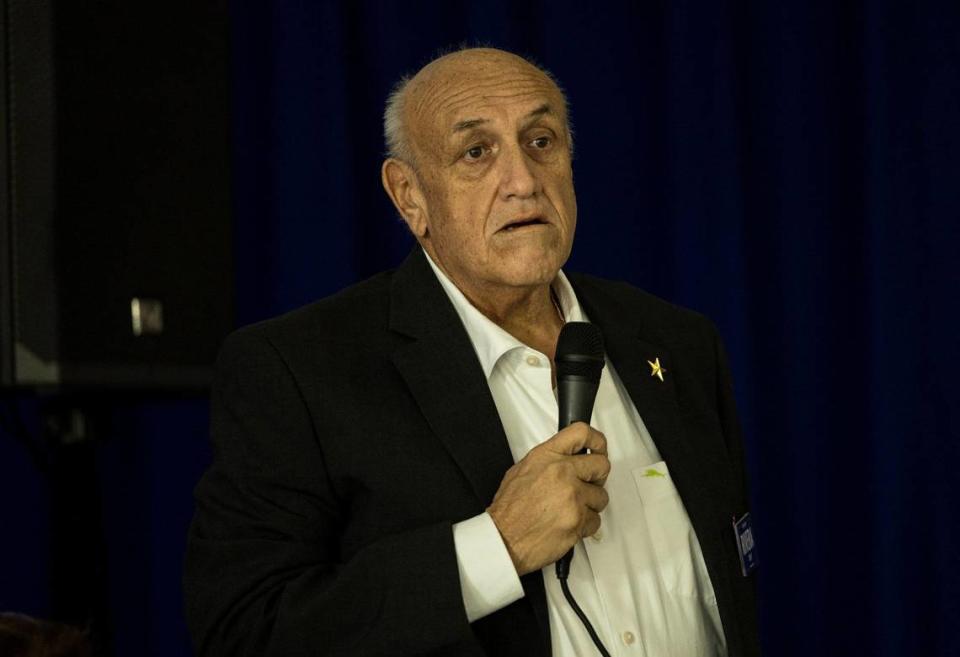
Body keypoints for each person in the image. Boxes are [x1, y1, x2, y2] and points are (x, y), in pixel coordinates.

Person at [184, 47, 760, 657]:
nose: (523, 181)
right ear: (410, 197)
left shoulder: (678, 342)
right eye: (476, 153)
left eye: (541, 141)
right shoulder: (299, 369)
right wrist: (497, 547)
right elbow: (247, 632)